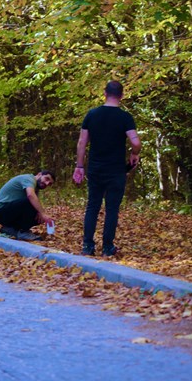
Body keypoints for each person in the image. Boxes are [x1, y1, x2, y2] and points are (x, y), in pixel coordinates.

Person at [74, 80, 141, 257]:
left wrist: (79, 166)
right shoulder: (125, 117)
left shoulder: (92, 115)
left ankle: (88, 246)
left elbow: (82, 142)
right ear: (122, 95)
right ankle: (107, 247)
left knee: (92, 206)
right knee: (112, 209)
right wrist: (134, 154)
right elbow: (135, 142)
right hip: (116, 171)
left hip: (96, 169)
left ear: (105, 93)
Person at [0, 171, 55, 241]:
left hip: (8, 211)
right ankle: (24, 232)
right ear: (39, 174)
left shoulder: (35, 187)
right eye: (46, 179)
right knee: (30, 202)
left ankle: (10, 229)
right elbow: (30, 195)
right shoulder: (29, 179)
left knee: (39, 217)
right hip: (0, 211)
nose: (46, 183)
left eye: (49, 184)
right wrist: (43, 213)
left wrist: (40, 213)